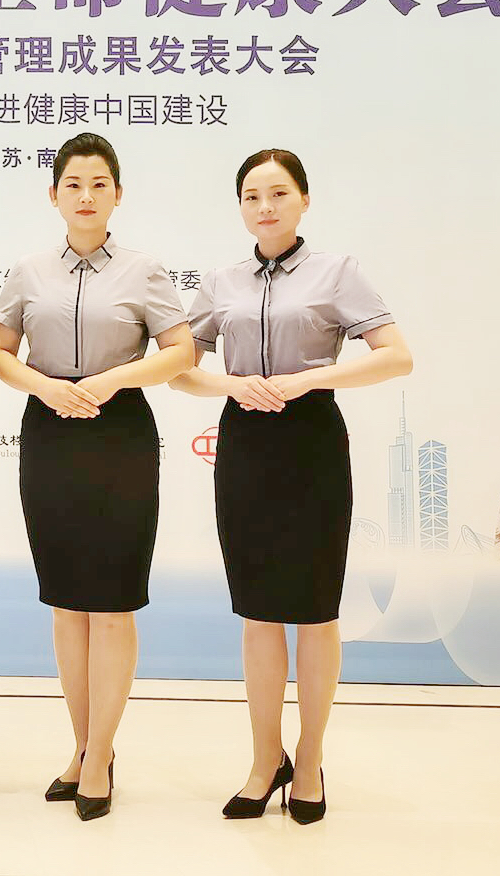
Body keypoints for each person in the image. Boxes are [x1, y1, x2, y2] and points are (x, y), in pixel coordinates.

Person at [169, 149, 412, 824]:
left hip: (312, 443)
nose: (265, 206)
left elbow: (396, 356)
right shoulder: (221, 282)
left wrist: (309, 379)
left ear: (305, 199)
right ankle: (263, 759)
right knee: (258, 610)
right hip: (245, 443)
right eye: (252, 196)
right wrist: (231, 384)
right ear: (240, 207)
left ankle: (308, 760)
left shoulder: (338, 272)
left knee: (315, 610)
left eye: (278, 193)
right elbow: (178, 369)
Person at [0, 132, 193, 821]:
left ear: (117, 194)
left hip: (119, 432)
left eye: (98, 183)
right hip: (50, 431)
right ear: (54, 194)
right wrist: (45, 387)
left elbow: (180, 351)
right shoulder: (28, 271)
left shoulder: (144, 270)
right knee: (67, 602)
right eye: (72, 184)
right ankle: (80, 748)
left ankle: (102, 754)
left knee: (112, 602)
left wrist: (110, 381)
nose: (85, 195)